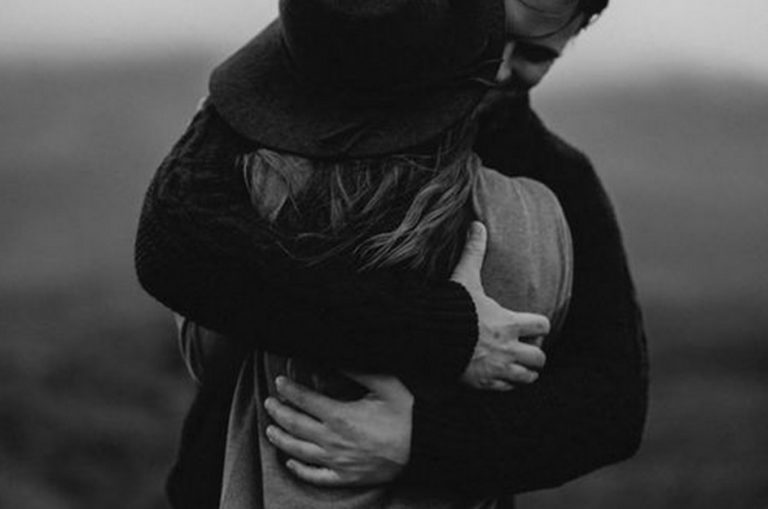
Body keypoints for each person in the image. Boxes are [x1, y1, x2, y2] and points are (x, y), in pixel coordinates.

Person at [134, 0, 648, 507]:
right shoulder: (283, 108)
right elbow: (175, 248)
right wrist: (451, 333)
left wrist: (418, 442)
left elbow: (612, 405)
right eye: (495, 29)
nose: (500, 67)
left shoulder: (554, 179)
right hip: (220, 483)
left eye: (536, 55)